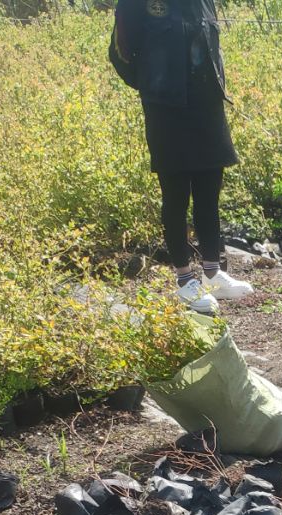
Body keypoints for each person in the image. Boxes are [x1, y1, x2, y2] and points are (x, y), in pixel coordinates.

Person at [110, 0, 252, 316]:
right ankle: (185, 280)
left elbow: (212, 47)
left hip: (207, 105)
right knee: (176, 196)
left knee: (209, 192)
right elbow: (120, 54)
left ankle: (214, 274)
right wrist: (155, 84)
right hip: (166, 110)